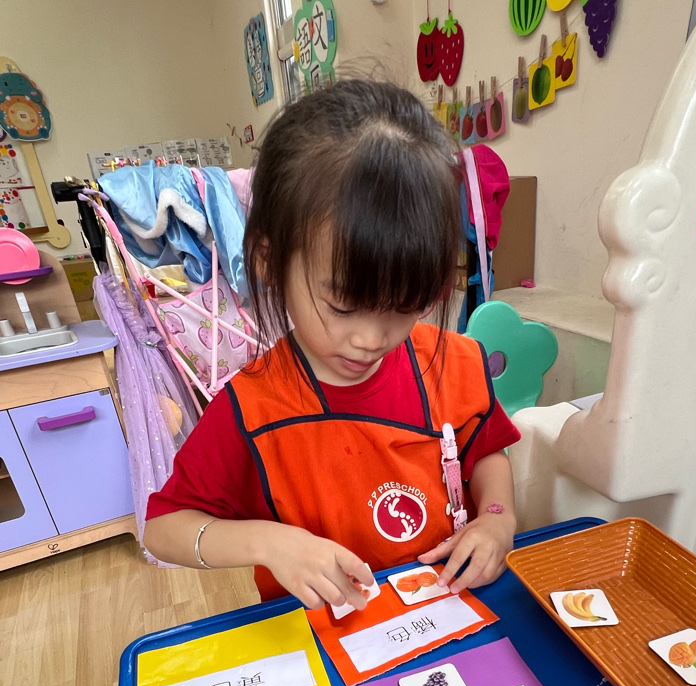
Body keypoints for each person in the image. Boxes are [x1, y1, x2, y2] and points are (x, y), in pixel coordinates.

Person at [143, 79, 520, 612]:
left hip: (448, 615)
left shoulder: (454, 364)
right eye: (342, 306)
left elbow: (486, 452)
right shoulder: (251, 409)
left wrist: (498, 519)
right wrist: (268, 543)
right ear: (270, 262)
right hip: (326, 640)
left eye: (404, 306)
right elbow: (163, 527)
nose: (371, 339)